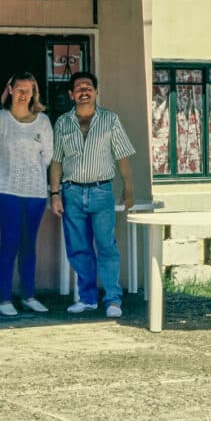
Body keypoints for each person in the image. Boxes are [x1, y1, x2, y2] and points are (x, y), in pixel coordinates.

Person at [49, 71, 135, 318]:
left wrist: (129, 188)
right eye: (79, 88)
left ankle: (112, 300)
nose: (84, 91)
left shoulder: (110, 119)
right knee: (79, 248)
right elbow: (56, 161)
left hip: (101, 191)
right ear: (71, 94)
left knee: (107, 245)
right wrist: (55, 194)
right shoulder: (63, 123)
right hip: (71, 192)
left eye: (88, 87)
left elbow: (122, 155)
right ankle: (87, 299)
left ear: (96, 92)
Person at [0, 72, 54, 316]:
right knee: (9, 244)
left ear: (34, 93)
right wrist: (7, 176)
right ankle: (4, 299)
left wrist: (30, 177)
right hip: (7, 193)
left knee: (29, 246)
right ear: (10, 89)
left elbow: (47, 157)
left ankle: (29, 296)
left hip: (35, 195)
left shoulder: (42, 121)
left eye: (28, 90)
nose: (24, 95)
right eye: (19, 89)